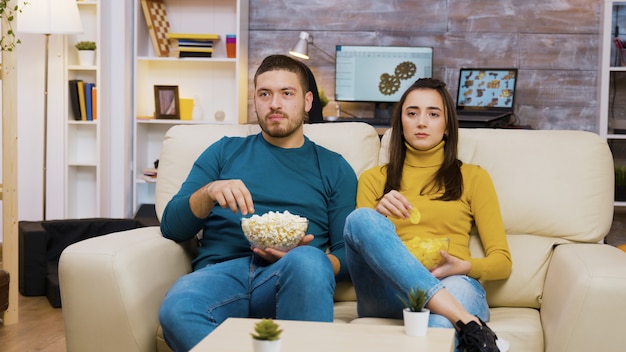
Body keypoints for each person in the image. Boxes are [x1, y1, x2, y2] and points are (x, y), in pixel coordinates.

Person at [158, 54, 357, 351]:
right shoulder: (223, 152)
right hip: (222, 272)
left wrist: (310, 262)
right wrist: (209, 191)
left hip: (294, 276)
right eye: (265, 94)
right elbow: (172, 227)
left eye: (286, 94)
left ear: (307, 101)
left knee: (309, 260)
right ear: (255, 100)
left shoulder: (334, 167)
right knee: (178, 310)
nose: (274, 103)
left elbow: (347, 254)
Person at [343, 78, 512, 352]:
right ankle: (468, 322)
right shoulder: (374, 179)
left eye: (433, 114)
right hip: (387, 292)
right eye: (412, 113)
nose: (422, 122)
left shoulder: (474, 178)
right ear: (401, 124)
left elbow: (502, 262)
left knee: (442, 323)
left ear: (447, 126)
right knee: (360, 219)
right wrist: (377, 214)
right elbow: (361, 251)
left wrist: (464, 266)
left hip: (452, 282)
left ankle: (457, 319)